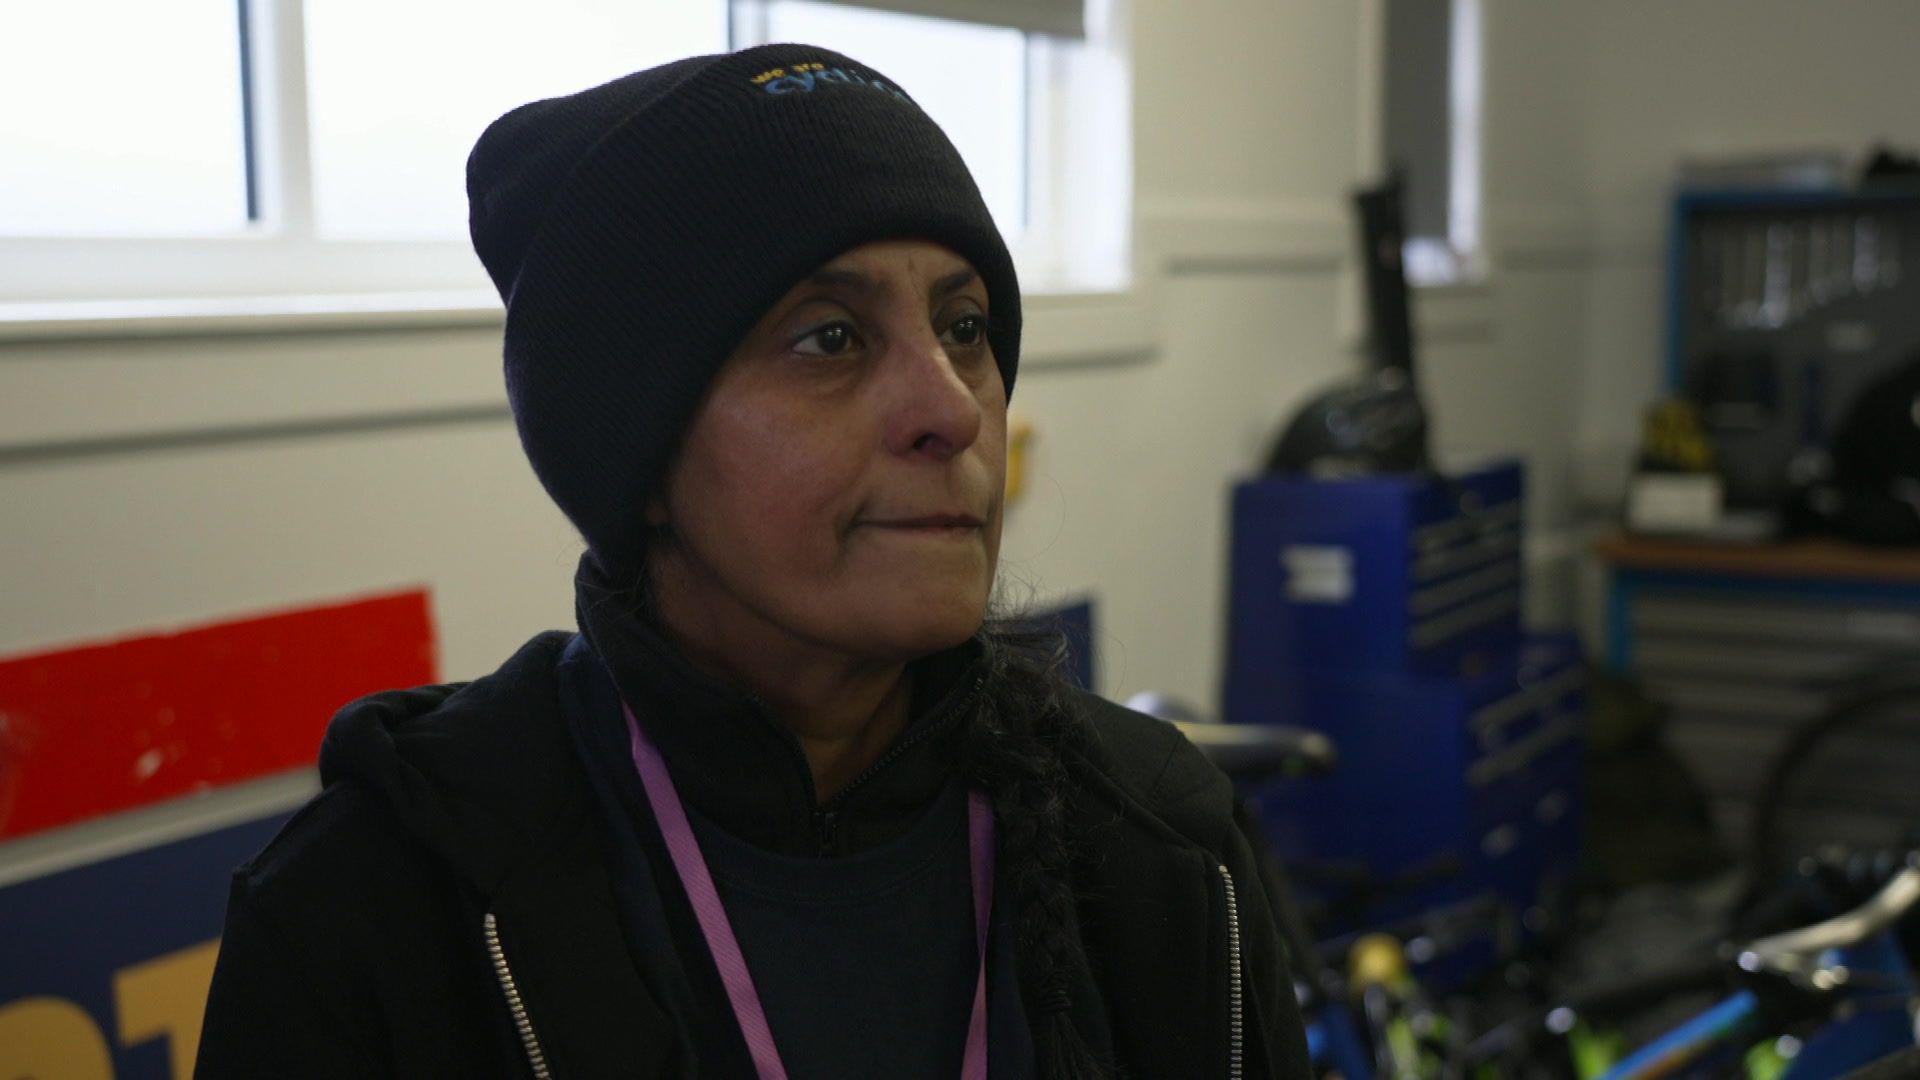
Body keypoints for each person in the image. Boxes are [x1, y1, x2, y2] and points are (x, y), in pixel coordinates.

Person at [195, 43, 1309, 1079]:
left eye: (965, 327)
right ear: (636, 455)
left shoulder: (1163, 849)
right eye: (830, 337)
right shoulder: (383, 908)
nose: (953, 411)